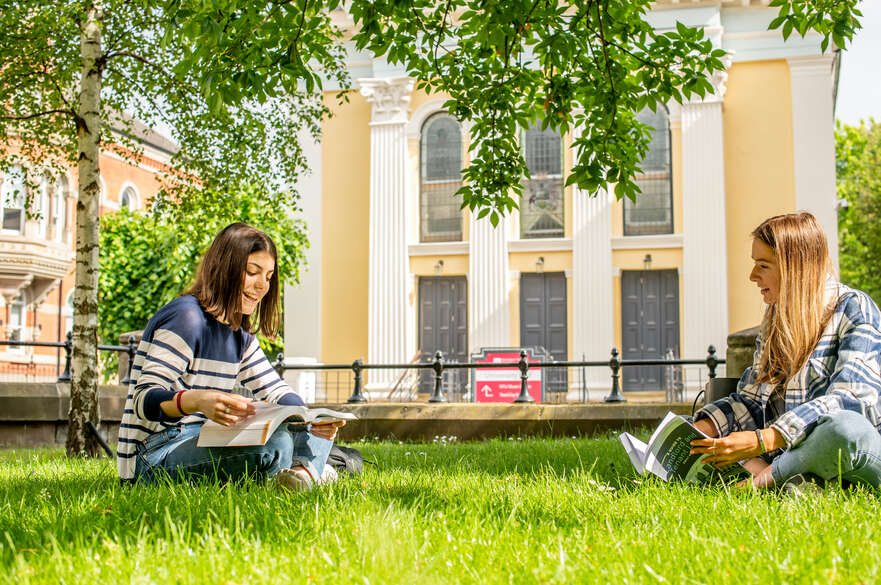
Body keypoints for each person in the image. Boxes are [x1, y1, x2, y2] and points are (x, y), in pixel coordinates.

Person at [116, 222, 344, 490]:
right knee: (277, 442)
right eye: (252, 272)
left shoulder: (239, 333)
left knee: (302, 433)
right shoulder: (186, 318)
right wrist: (197, 401)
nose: (262, 286)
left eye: (269, 276)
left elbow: (275, 389)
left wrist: (308, 419)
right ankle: (309, 470)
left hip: (206, 438)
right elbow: (145, 398)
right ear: (224, 269)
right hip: (155, 454)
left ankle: (302, 472)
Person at [690, 212, 881, 490]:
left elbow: (852, 400)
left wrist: (765, 439)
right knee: (696, 430)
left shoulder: (853, 307)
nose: (752, 276)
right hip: (792, 454)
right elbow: (752, 401)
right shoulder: (775, 320)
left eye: (763, 265)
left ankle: (765, 480)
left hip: (853, 454)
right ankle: (794, 481)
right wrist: (705, 428)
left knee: (845, 430)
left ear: (796, 267)